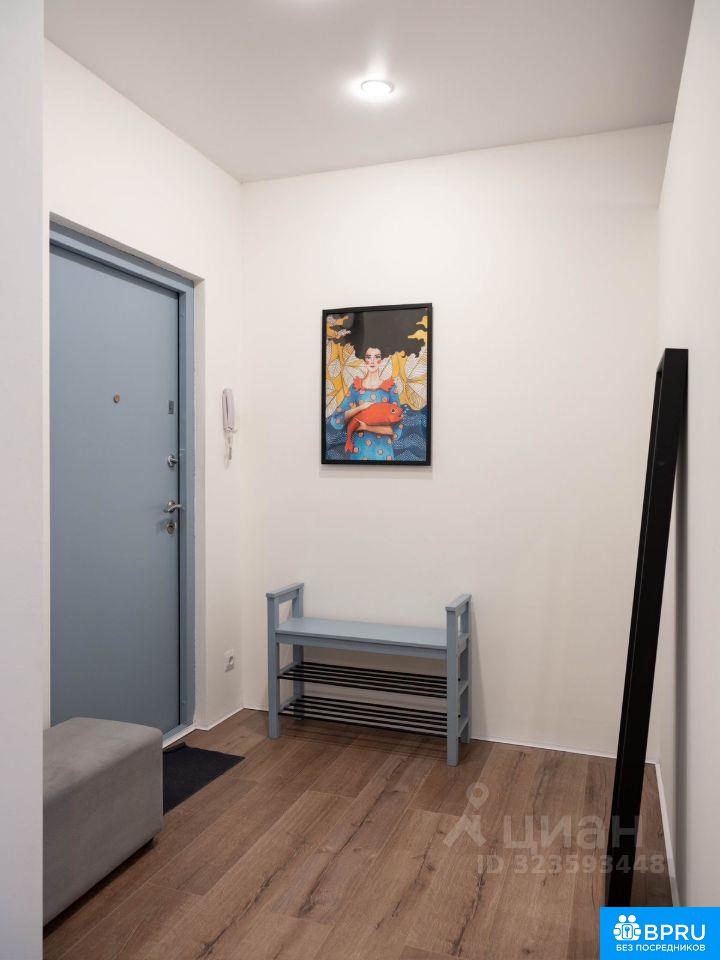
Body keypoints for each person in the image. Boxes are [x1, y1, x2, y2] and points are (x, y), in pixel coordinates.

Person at [329, 347, 404, 461]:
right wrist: (360, 408)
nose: (372, 361)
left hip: (384, 451)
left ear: (381, 360)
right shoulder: (356, 387)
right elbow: (337, 418)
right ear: (364, 361)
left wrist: (367, 427)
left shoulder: (390, 387)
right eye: (368, 357)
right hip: (359, 449)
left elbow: (394, 430)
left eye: (377, 357)